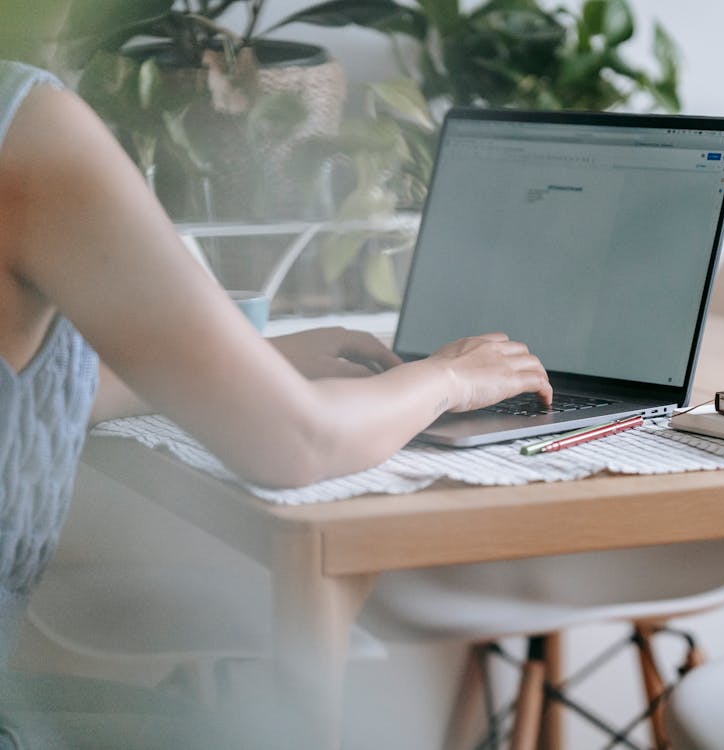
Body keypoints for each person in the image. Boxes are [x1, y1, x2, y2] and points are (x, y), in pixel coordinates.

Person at [0, 58, 551, 747]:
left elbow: (30, 404)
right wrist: (449, 379)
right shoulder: (27, 124)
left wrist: (239, 371)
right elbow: (299, 446)